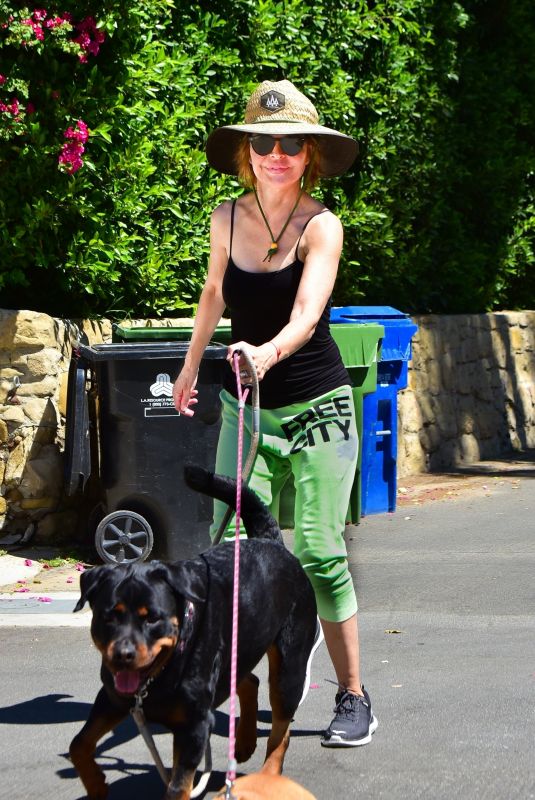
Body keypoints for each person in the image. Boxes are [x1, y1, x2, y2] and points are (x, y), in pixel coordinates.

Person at [172, 79, 378, 747]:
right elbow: (211, 294)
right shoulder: (225, 218)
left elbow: (306, 314)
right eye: (264, 142)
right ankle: (217, 683)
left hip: (316, 406)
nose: (277, 153)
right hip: (247, 408)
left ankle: (353, 696)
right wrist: (188, 364)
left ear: (309, 154)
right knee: (230, 549)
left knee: (318, 552)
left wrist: (264, 354)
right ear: (246, 151)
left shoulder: (321, 225)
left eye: (292, 143)